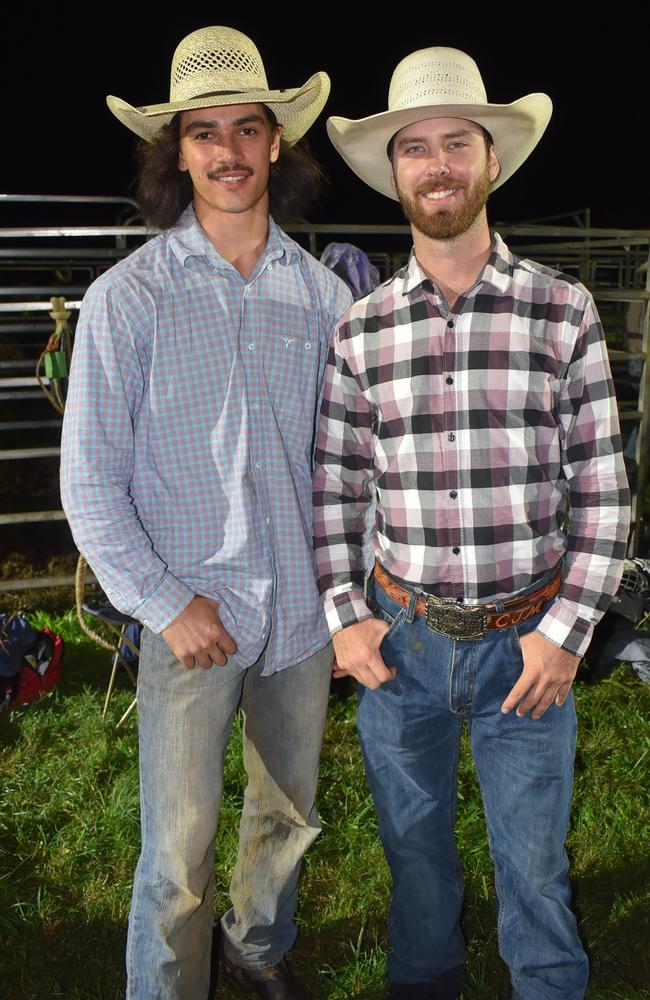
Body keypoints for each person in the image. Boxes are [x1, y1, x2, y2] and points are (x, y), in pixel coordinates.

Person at [313, 46, 630, 1000]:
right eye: (417, 147)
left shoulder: (562, 310)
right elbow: (334, 488)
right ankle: (427, 981)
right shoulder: (359, 329)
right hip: (399, 641)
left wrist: (567, 637)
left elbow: (606, 492)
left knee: (534, 867)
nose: (439, 163)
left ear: (491, 162)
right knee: (414, 860)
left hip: (526, 646)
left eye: (459, 142)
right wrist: (345, 614)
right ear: (396, 172)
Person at [60, 25, 351, 1000]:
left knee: (288, 815)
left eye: (246, 128)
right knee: (174, 857)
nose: (226, 150)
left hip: (303, 615)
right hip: (193, 614)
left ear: (277, 144)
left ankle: (257, 951)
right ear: (175, 152)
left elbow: (345, 461)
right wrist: (162, 600)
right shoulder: (126, 299)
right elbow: (89, 479)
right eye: (203, 132)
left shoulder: (319, 300)